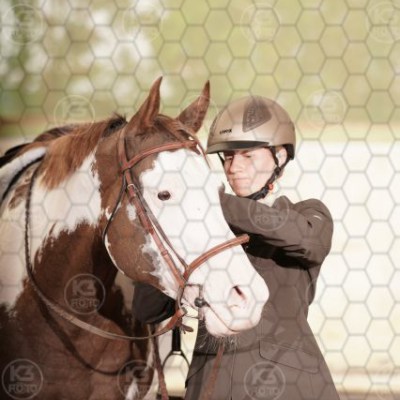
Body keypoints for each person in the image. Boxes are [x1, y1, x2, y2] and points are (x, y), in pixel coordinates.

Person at [133, 96, 340, 400]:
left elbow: (308, 242)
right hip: (209, 385)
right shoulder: (198, 228)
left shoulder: (308, 213)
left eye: (247, 155)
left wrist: (210, 200)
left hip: (289, 385)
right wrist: (167, 233)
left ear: (279, 156)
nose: (234, 167)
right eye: (228, 157)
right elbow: (147, 310)